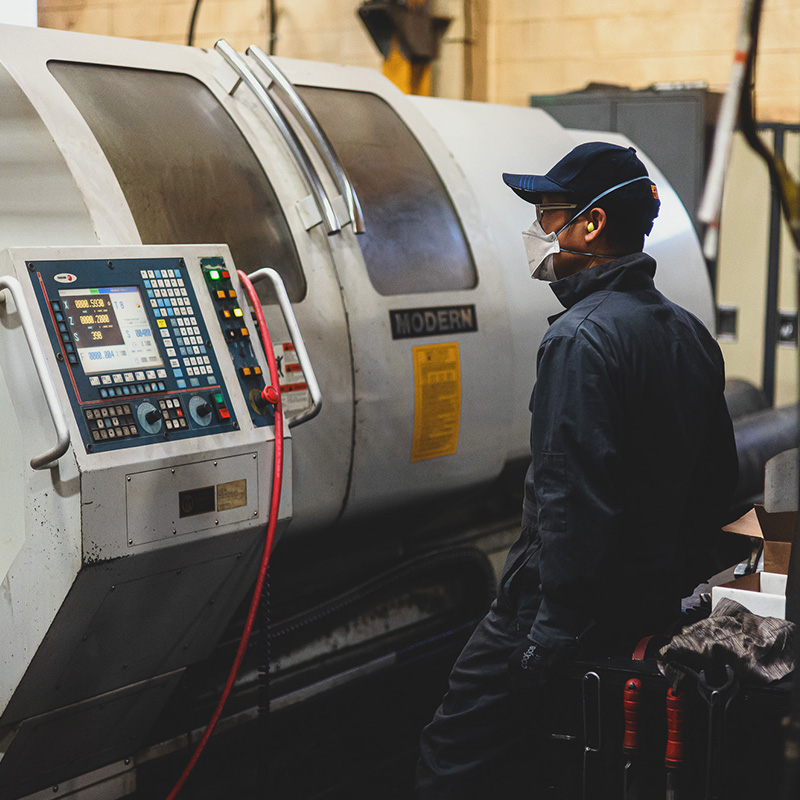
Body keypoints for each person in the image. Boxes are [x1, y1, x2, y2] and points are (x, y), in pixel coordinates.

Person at [415, 142, 739, 799]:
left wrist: (547, 634)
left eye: (548, 214)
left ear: (589, 226)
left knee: (454, 759)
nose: (538, 231)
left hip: (556, 608)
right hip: (647, 602)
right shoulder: (688, 335)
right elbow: (718, 488)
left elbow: (573, 500)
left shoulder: (579, 339)